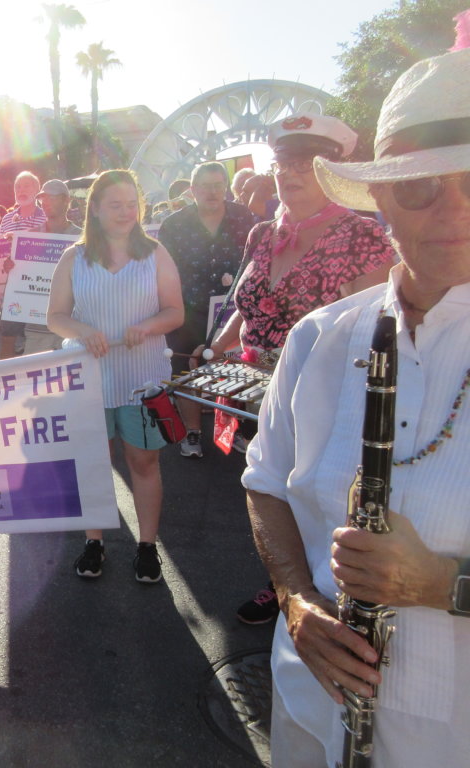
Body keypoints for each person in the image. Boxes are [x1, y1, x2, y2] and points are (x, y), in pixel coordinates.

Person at [243, 42, 470, 767]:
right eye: (420, 187)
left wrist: (441, 584)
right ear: (381, 201)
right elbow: (265, 484)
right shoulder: (321, 338)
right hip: (313, 717)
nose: (454, 211)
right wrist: (295, 602)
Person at [206, 114, 396, 625]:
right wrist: (215, 347)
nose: (290, 175)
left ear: (335, 171)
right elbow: (248, 305)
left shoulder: (363, 236)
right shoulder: (264, 233)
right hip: (250, 388)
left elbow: (376, 329)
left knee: (306, 490)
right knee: (264, 486)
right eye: (284, 163)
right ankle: (283, 580)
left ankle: (307, 592)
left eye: (307, 166)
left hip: (321, 395)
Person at [48, 169, 184, 582]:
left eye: (131, 204)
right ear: (95, 208)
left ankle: (147, 545)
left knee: (143, 461)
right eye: (115, 204)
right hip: (87, 379)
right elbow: (55, 317)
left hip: (141, 378)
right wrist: (83, 331)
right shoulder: (74, 257)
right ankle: (94, 541)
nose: (126, 212)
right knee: (93, 461)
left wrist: (149, 326)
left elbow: (175, 311)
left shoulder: (155, 253)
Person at [158, 161, 256, 458]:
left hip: (232, 309)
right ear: (193, 189)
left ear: (225, 188)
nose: (213, 192)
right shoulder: (174, 225)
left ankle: (231, 429)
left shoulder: (244, 217)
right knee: (187, 368)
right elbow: (162, 271)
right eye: (206, 186)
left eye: (218, 186)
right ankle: (191, 432)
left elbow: (255, 261)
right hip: (187, 309)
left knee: (232, 369)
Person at [23, 179, 82, 355]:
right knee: (36, 379)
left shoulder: (82, 237)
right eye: (43, 198)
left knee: (74, 380)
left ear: (66, 200)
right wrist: (12, 267)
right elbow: (19, 276)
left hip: (73, 325)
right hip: (37, 326)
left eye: (52, 197)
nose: (45, 202)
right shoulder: (30, 237)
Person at [0, 171, 47, 359]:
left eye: (26, 185)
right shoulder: (6, 220)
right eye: (17, 186)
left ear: (37, 190)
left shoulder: (45, 218)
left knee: (38, 341)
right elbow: (0, 254)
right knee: (7, 337)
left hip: (38, 287)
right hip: (12, 287)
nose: (21, 190)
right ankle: (6, 380)